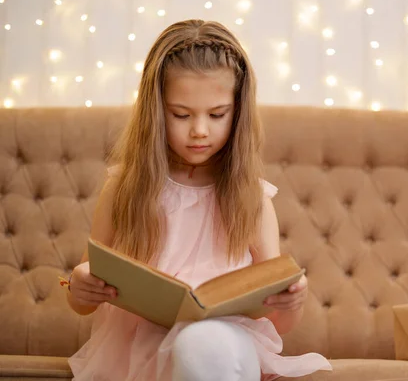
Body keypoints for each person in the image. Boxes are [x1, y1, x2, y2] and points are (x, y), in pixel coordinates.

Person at [64, 19, 332, 381]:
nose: (200, 130)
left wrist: (292, 301)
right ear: (156, 111)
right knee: (187, 346)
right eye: (181, 115)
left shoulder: (251, 198)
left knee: (200, 342)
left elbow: (279, 320)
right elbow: (82, 298)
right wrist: (81, 285)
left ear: (237, 112)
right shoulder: (124, 189)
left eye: (217, 114)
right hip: (139, 354)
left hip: (225, 347)